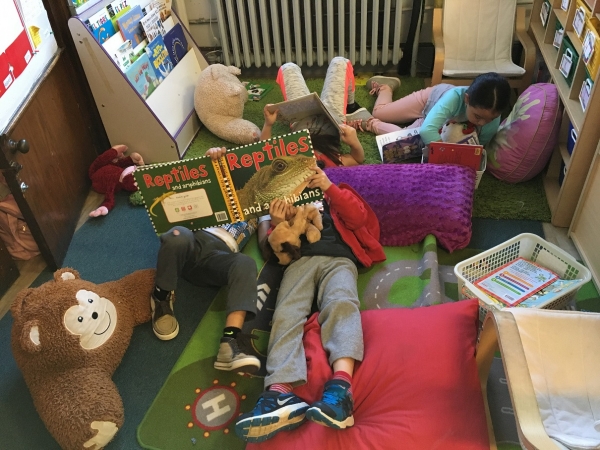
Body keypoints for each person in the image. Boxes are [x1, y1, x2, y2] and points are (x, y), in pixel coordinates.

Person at [234, 166, 386, 443]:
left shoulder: (334, 194)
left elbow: (358, 217)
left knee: (342, 304)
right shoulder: (280, 204)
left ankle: (341, 390)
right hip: (299, 263)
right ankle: (279, 394)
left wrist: (329, 188)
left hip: (340, 258)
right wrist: (276, 222)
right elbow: (274, 251)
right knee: (285, 315)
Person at [149, 146, 266, 374]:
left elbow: (265, 242)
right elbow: (195, 185)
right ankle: (161, 297)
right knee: (178, 235)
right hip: (194, 241)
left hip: (219, 258)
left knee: (246, 263)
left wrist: (277, 219)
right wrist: (210, 161)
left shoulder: (262, 208)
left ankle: (230, 343)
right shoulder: (223, 190)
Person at [347, 72, 512, 147]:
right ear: (467, 100)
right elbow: (428, 131)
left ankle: (370, 122)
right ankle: (385, 89)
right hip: (430, 101)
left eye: (490, 119)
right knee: (380, 112)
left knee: (403, 142)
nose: (482, 123)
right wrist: (447, 153)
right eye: (477, 116)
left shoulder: (492, 114)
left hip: (440, 121)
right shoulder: (454, 97)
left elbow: (478, 148)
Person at [267, 56, 369, 167]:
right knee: (340, 62)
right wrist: (354, 143)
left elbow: (264, 154)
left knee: (287, 68)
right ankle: (351, 106)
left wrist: (268, 124)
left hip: (300, 117)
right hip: (332, 116)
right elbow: (357, 159)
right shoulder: (331, 162)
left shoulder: (291, 164)